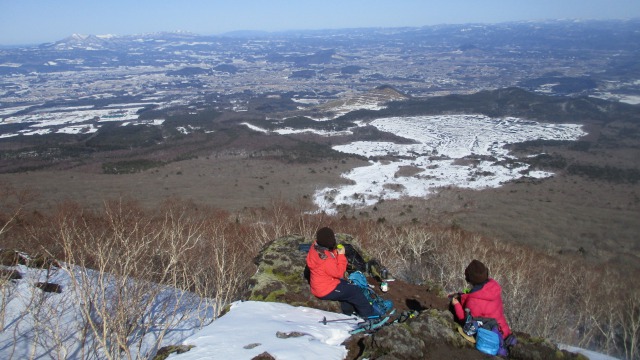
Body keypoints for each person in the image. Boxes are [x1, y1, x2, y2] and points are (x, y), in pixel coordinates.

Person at [306, 227, 377, 318]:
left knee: (348, 286)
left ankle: (349, 311)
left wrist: (334, 252)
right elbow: (339, 273)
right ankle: (369, 315)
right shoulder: (326, 260)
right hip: (325, 289)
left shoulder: (315, 248)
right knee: (355, 291)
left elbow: (328, 256)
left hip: (319, 284)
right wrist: (341, 255)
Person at [450, 259, 512, 340]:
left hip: (493, 337)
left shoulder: (473, 300)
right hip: (504, 331)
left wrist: (456, 305)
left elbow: (466, 321)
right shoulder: (493, 289)